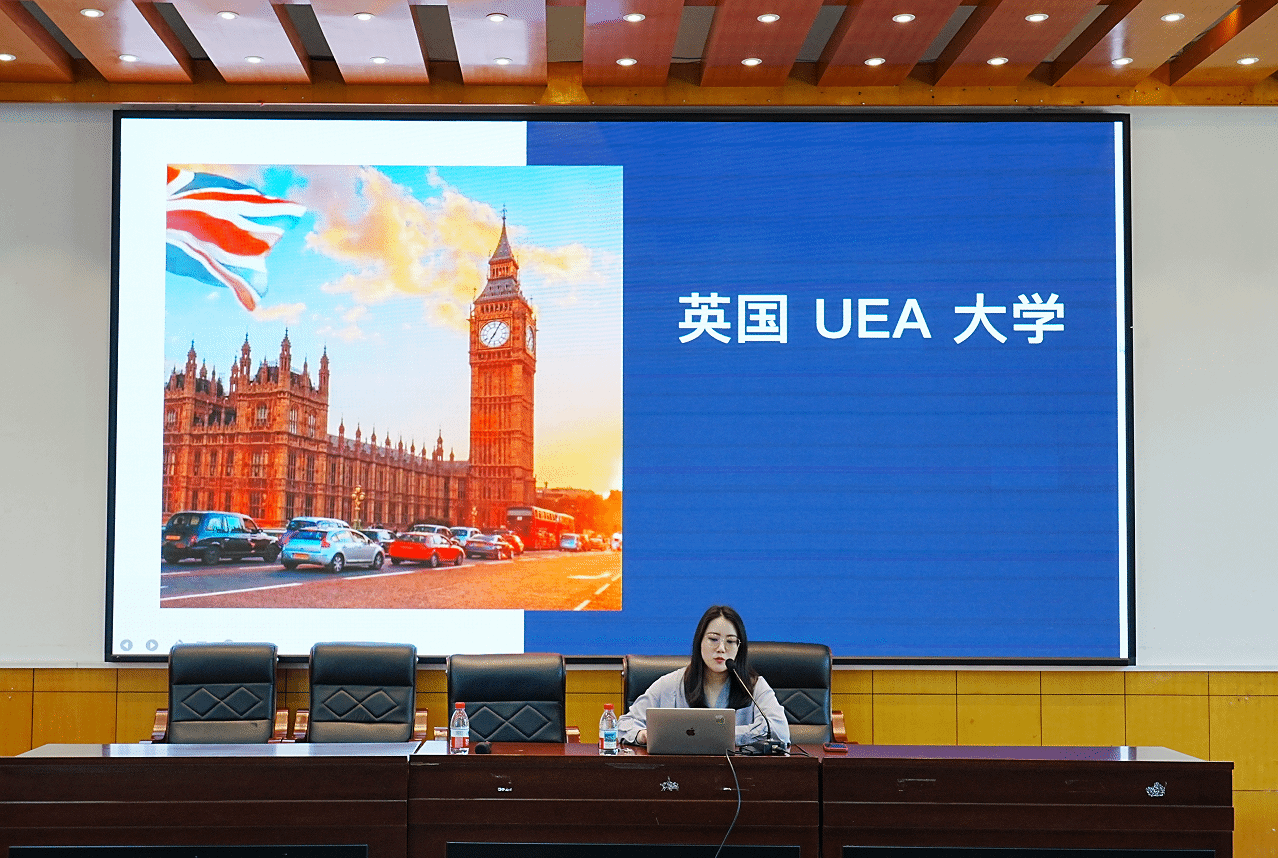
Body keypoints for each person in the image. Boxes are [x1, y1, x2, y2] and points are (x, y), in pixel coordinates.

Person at [618, 605, 790, 748]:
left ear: (739, 648)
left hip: (739, 773)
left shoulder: (753, 686)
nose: (721, 648)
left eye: (730, 641)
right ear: (699, 641)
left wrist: (715, 735)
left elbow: (779, 731)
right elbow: (624, 725)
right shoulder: (670, 684)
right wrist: (642, 735)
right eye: (713, 639)